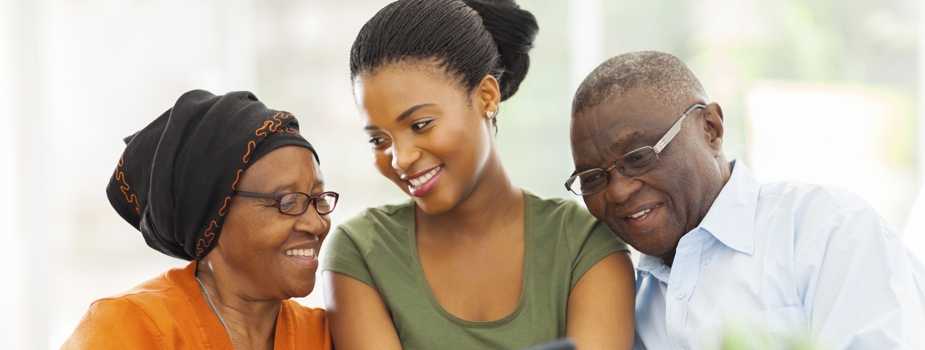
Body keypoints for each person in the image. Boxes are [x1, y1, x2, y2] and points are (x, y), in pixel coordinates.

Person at [321, 0, 636, 349]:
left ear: (486, 96)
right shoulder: (362, 253)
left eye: (420, 124)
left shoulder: (584, 247)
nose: (400, 159)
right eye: (379, 140)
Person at [567, 50, 925, 349]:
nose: (618, 191)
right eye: (593, 178)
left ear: (711, 129)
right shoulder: (621, 295)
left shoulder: (826, 231)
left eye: (639, 157)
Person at [63, 90, 335, 350]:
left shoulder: (330, 335)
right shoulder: (127, 330)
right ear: (215, 214)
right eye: (287, 202)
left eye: (319, 198)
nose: (317, 224)